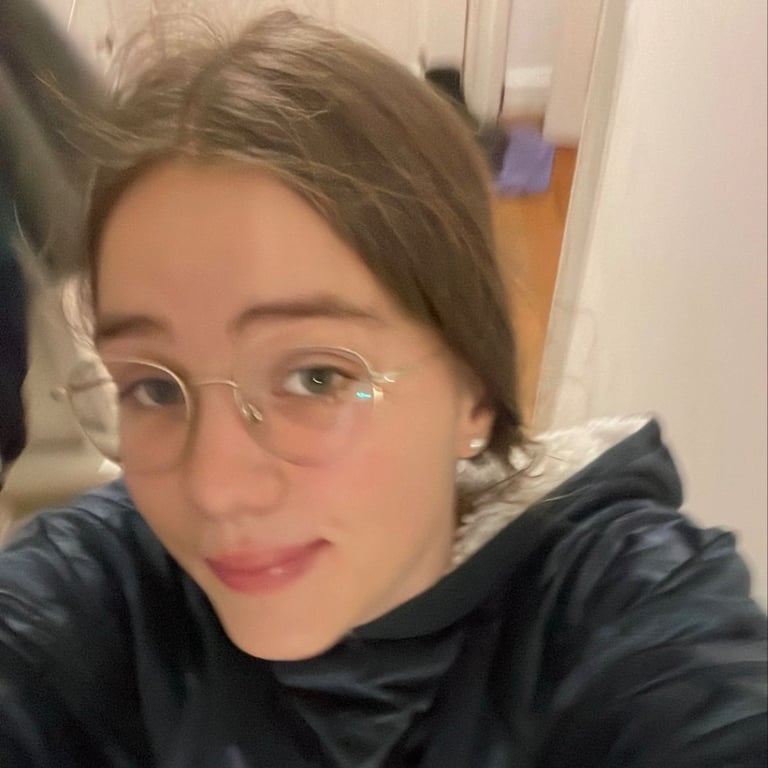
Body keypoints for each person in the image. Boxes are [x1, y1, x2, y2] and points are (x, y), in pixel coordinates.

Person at [0, 11, 765, 767]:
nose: (214, 488)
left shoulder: (615, 606)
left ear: (474, 391)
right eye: (154, 389)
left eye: (316, 377)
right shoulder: (96, 591)